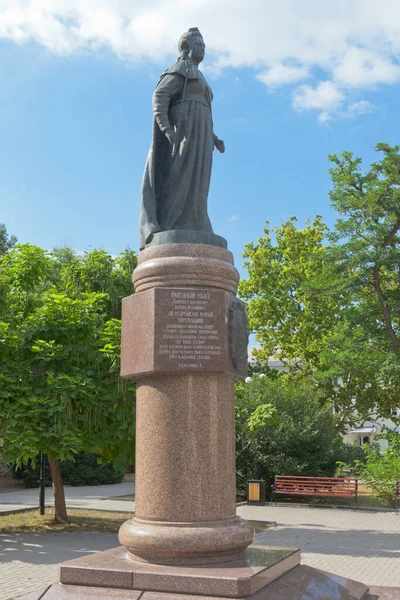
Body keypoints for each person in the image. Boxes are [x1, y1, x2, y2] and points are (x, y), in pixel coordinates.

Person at [140, 27, 225, 250]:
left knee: (199, 182)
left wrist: (214, 138)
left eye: (205, 46)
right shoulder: (180, 68)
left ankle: (196, 223)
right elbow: (160, 96)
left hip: (202, 136)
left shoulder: (201, 76)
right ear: (186, 47)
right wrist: (167, 128)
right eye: (199, 45)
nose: (203, 49)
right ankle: (170, 223)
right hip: (184, 132)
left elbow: (204, 109)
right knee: (180, 176)